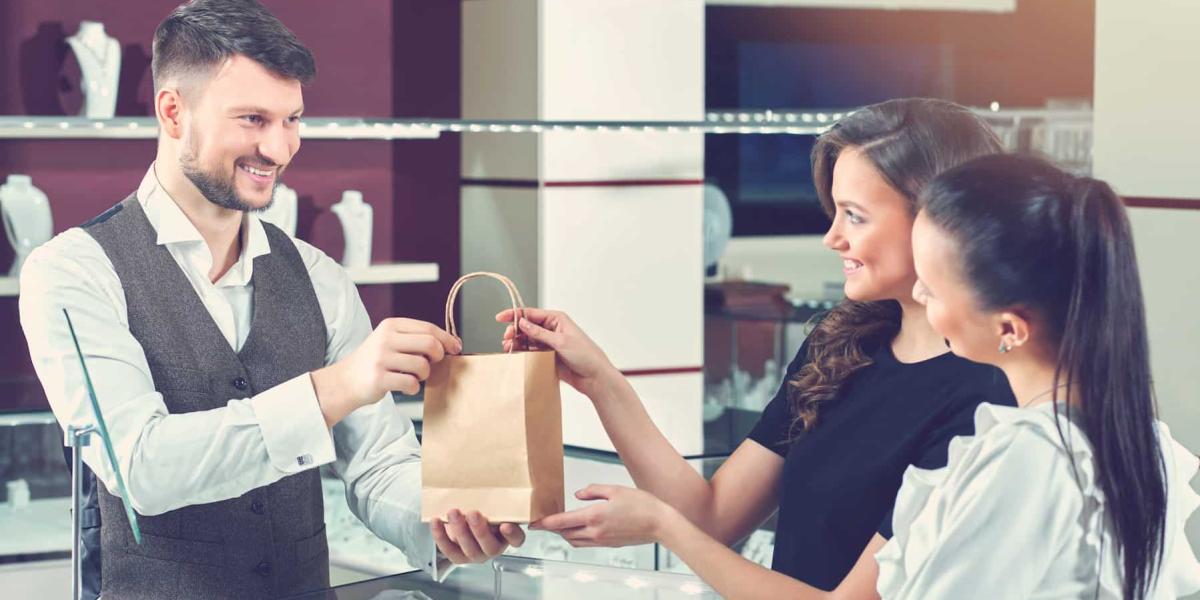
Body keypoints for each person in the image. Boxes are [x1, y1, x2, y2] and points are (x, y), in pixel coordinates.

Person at [19, 2, 519, 598]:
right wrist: (338, 386)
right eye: (253, 119)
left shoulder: (321, 277)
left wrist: (443, 522)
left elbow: (379, 466)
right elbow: (141, 468)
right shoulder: (73, 273)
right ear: (173, 112)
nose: (279, 149)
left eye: (292, 120)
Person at [499, 98, 1015, 595]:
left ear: (939, 221)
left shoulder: (987, 398)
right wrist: (599, 381)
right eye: (834, 212)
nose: (832, 238)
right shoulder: (840, 343)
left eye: (854, 216)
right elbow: (712, 514)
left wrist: (663, 527)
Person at [875, 153, 1200, 599]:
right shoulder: (1143, 440)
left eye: (931, 288)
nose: (916, 292)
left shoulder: (1032, 456)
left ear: (1009, 328)